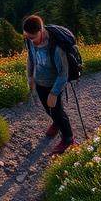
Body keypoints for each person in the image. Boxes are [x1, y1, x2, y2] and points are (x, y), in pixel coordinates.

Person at [23, 15, 75, 154]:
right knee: (48, 108)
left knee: (58, 111)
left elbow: (63, 73)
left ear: (41, 30)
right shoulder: (30, 41)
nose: (30, 40)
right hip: (40, 82)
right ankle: (56, 123)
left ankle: (68, 138)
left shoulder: (56, 47)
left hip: (54, 84)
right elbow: (31, 57)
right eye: (27, 37)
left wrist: (54, 93)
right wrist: (30, 77)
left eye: (32, 37)